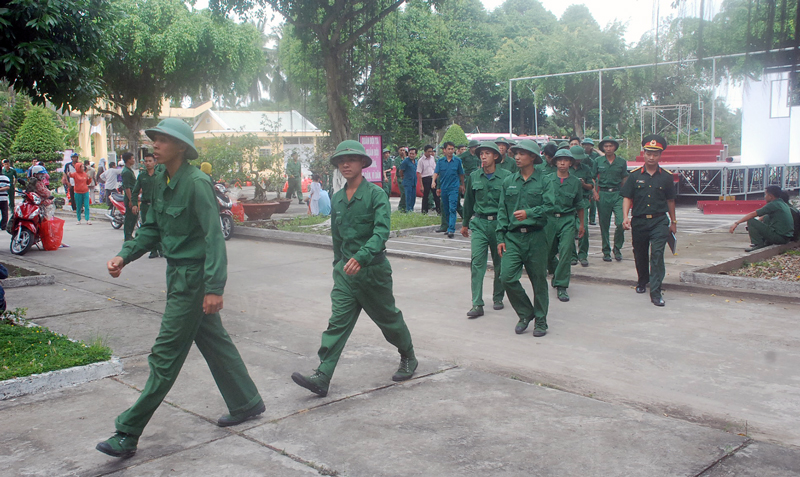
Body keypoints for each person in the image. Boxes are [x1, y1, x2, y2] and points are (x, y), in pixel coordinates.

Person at [97, 118, 265, 459]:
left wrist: (214, 287)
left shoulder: (197, 183)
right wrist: (124, 255)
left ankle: (128, 431)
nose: (155, 144)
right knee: (214, 341)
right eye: (155, 138)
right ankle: (246, 401)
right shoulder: (160, 179)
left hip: (194, 278)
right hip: (176, 275)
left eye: (163, 139)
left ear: (182, 147)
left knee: (165, 355)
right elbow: (152, 229)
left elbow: (214, 237)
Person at [291, 140, 417, 397]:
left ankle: (408, 356)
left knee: (389, 320)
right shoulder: (337, 199)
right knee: (337, 324)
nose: (345, 164)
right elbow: (337, 238)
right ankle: (323, 375)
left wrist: (361, 257)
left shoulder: (376, 195)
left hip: (373, 272)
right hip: (346, 275)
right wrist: (338, 265)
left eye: (351, 159)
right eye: (341, 161)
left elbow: (381, 232)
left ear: (362, 163)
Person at [496, 139, 553, 337]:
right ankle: (525, 312)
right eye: (516, 154)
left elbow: (550, 206)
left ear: (533, 157)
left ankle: (541, 320)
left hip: (536, 237)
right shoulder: (508, 181)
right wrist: (500, 237)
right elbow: (502, 210)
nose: (517, 157)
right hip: (513, 237)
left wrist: (529, 213)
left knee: (539, 281)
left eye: (522, 154)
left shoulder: (545, 181)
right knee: (506, 277)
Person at [622, 134, 677, 307]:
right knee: (640, 253)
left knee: (657, 254)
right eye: (648, 153)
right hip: (639, 221)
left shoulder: (666, 177)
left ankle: (656, 292)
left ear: (660, 155)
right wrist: (625, 217)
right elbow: (627, 197)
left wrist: (673, 222)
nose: (651, 157)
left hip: (659, 221)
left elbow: (670, 201)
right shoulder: (634, 175)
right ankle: (642, 280)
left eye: (655, 154)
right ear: (644, 154)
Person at [461, 141, 510, 318]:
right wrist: (465, 223)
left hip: (499, 225)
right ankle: (477, 303)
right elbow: (469, 201)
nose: (483, 156)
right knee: (477, 263)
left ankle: (498, 297)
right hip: (479, 224)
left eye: (487, 153)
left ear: (496, 156)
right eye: (481, 154)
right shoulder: (474, 176)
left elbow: (510, 203)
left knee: (500, 263)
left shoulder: (506, 177)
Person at [545, 149, 586, 302]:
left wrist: (581, 225)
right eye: (559, 160)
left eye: (566, 160)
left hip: (567, 219)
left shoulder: (575, 182)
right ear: (555, 162)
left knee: (566, 251)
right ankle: (557, 272)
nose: (562, 163)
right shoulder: (547, 179)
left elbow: (579, 204)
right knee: (547, 252)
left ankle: (561, 285)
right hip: (549, 219)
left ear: (570, 163)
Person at [729, 185, 794, 252]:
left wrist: (737, 223)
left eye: (765, 194)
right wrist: (758, 224)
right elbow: (764, 216)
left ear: (770, 196)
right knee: (766, 217)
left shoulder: (773, 204)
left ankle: (758, 244)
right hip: (786, 238)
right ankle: (765, 242)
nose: (765, 197)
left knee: (751, 221)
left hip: (779, 238)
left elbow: (753, 214)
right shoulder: (782, 203)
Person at [594, 136, 628, 262]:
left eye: (611, 146)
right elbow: (592, 178)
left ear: (615, 147)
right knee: (604, 225)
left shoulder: (621, 162)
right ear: (603, 148)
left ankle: (617, 248)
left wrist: (624, 193)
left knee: (621, 222)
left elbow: (625, 177)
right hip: (603, 194)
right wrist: (594, 192)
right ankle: (606, 251)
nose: (608, 148)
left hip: (617, 193)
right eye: (606, 146)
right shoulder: (598, 161)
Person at [569, 146, 595, 267]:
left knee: (583, 228)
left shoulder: (586, 169)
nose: (577, 160)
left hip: (582, 201)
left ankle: (583, 255)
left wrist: (583, 184)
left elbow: (591, 186)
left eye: (579, 158)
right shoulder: (565, 168)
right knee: (569, 230)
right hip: (569, 202)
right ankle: (572, 256)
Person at [433, 141, 465, 238]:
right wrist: (433, 181)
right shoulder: (440, 161)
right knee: (446, 209)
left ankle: (451, 229)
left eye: (452, 149)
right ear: (444, 150)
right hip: (444, 188)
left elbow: (461, 174)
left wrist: (462, 185)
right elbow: (436, 173)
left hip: (454, 188)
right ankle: (447, 227)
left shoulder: (457, 161)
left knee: (452, 208)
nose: (451, 151)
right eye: (449, 149)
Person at [132, 153, 162, 258]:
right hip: (145, 205)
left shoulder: (159, 175)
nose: (148, 163)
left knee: (159, 226)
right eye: (146, 161)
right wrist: (134, 204)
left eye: (150, 161)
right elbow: (135, 191)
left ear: (155, 162)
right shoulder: (141, 176)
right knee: (148, 228)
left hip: (157, 205)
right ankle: (153, 250)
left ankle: (161, 248)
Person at [581, 138, 600, 225]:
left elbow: (604, 156)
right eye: (585, 144)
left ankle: (592, 218)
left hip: (592, 177)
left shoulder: (595, 155)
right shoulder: (581, 154)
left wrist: (596, 150)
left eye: (589, 145)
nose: (587, 146)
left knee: (593, 198)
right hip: (583, 176)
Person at [120, 152, 137, 241]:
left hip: (133, 196)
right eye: (132, 158)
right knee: (129, 217)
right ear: (128, 160)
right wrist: (131, 200)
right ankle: (128, 235)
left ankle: (130, 234)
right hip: (130, 197)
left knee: (134, 216)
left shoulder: (129, 170)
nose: (134, 160)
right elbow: (127, 188)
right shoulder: (126, 172)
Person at [417, 145, 438, 214]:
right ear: (425, 152)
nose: (430, 153)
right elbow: (419, 173)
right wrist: (421, 185)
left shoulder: (432, 158)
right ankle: (424, 211)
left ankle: (439, 210)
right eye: (429, 151)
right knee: (426, 195)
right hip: (425, 178)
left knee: (436, 195)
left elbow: (435, 169)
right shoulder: (421, 160)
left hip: (433, 178)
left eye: (431, 151)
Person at [399, 147, 418, 212]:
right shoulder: (405, 161)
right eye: (410, 153)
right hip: (407, 182)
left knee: (413, 197)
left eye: (413, 154)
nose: (411, 155)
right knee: (408, 196)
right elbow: (401, 171)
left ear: (416, 154)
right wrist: (402, 177)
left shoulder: (416, 161)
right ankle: (408, 209)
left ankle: (411, 209)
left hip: (414, 181)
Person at [394, 146, 408, 212]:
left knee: (406, 192)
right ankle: (401, 206)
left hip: (406, 177)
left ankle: (405, 206)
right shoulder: (397, 159)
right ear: (398, 151)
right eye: (401, 150)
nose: (402, 152)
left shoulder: (406, 158)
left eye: (403, 150)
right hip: (400, 177)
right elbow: (398, 168)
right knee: (403, 192)